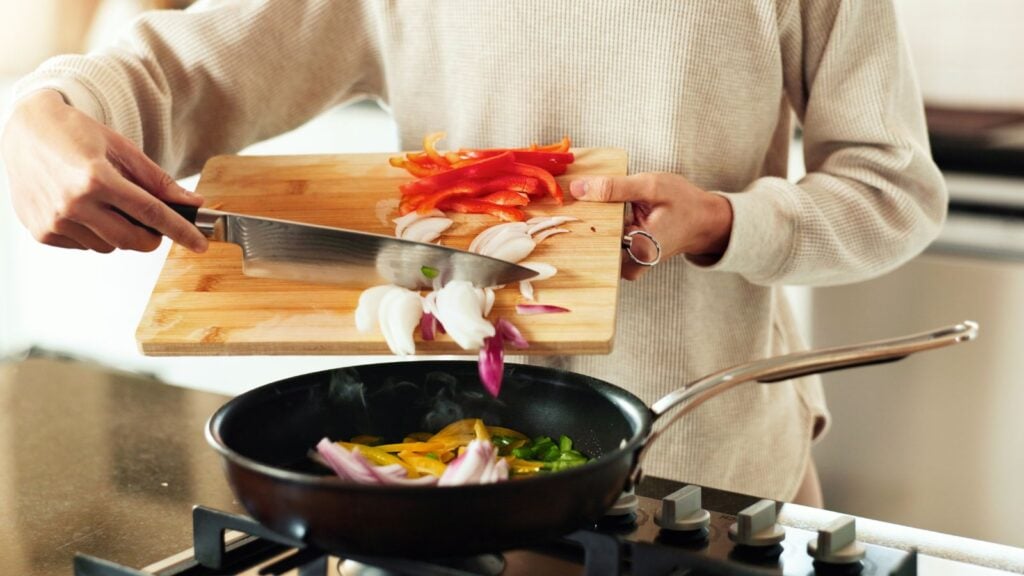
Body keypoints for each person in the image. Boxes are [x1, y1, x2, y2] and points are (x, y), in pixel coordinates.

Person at [0, 1, 945, 506]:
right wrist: (47, 110)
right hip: (476, 480)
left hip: (724, 465)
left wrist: (729, 222)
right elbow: (180, 67)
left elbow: (891, 190)